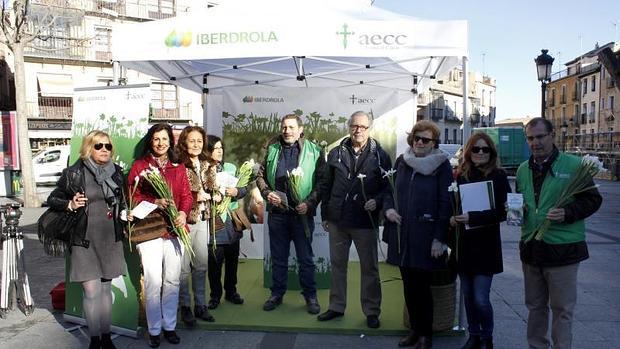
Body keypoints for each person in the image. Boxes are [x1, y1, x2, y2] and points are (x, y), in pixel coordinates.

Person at [517, 117, 602, 349]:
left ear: (553, 135)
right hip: (531, 249)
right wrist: (516, 211)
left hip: (563, 250)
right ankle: (536, 346)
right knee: (535, 306)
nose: (535, 142)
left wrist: (568, 213)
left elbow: (593, 200)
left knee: (562, 309)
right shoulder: (523, 169)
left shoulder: (575, 166)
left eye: (540, 137)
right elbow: (524, 203)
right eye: (530, 138)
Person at [47, 130, 126, 349]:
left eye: (108, 146)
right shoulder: (74, 172)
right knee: (91, 292)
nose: (104, 150)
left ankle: (106, 336)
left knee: (105, 291)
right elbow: (53, 198)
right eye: (98, 146)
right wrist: (69, 204)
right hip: (84, 239)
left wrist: (126, 213)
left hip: (110, 239)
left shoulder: (117, 172)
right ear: (88, 147)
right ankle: (94, 339)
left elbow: (123, 201)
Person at [317, 110, 392, 329]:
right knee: (337, 266)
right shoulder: (336, 153)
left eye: (363, 127)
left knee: (369, 268)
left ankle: (371, 311)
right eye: (354, 126)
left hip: (364, 221)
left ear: (369, 129)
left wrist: (377, 202)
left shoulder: (380, 155)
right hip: (338, 220)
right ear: (349, 127)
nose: (358, 130)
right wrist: (325, 214)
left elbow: (388, 188)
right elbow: (326, 186)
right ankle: (336, 307)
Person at [383, 120, 452, 348]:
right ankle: (414, 329)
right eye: (416, 138)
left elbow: (446, 202)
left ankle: (426, 334)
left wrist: (439, 238)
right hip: (403, 233)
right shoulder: (402, 161)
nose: (420, 143)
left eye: (425, 139)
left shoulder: (442, 165)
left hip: (426, 235)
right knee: (409, 286)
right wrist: (389, 209)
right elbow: (389, 190)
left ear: (434, 143)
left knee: (423, 288)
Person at [127, 123, 192, 348]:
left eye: (164, 139)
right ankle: (154, 330)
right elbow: (131, 197)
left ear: (170, 142)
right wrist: (154, 202)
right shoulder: (140, 166)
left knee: (172, 281)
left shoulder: (178, 166)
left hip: (174, 230)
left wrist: (183, 213)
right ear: (150, 141)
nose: (161, 143)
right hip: (150, 230)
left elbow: (186, 195)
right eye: (156, 139)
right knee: (154, 282)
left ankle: (170, 326)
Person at [256, 114, 324, 314]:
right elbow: (260, 176)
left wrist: (309, 203)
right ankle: (277, 294)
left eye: (291, 127)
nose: (287, 131)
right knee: (278, 258)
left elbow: (322, 182)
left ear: (300, 129)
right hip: (278, 214)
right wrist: (267, 194)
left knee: (306, 258)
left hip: (302, 214)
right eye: (284, 127)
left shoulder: (315, 151)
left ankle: (310, 296)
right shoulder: (271, 148)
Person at [450, 132, 511, 349]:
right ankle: (474, 335)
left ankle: (487, 336)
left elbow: (505, 213)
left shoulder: (499, 176)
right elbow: (452, 205)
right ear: (469, 152)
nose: (481, 153)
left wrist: (473, 217)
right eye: (476, 149)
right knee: (467, 296)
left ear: (492, 153)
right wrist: (452, 217)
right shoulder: (459, 176)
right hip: (464, 246)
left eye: (486, 149)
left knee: (480, 299)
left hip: (486, 247)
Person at [174, 126, 215, 326]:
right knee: (183, 268)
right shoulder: (178, 164)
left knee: (201, 265)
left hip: (203, 218)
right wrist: (194, 195)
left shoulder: (207, 163)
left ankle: (201, 305)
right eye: (192, 141)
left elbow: (213, 188)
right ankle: (185, 307)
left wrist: (218, 193)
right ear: (184, 142)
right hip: (185, 220)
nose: (196, 145)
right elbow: (175, 192)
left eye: (199, 140)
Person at [203, 135, 247, 310]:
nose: (219, 151)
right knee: (214, 261)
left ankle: (231, 291)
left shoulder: (230, 167)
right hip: (214, 220)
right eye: (215, 148)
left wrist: (236, 191)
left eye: (221, 148)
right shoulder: (203, 170)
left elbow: (243, 189)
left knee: (232, 258)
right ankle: (215, 295)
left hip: (231, 219)